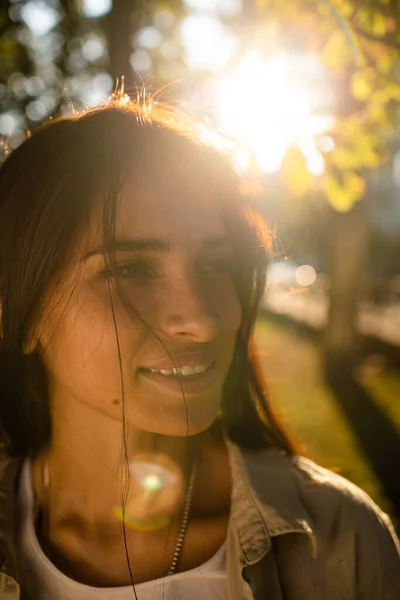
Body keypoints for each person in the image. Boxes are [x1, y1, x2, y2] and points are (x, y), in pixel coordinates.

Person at [0, 95, 398, 600]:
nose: (202, 320)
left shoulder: (340, 540)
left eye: (215, 266)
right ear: (20, 312)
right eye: (130, 270)